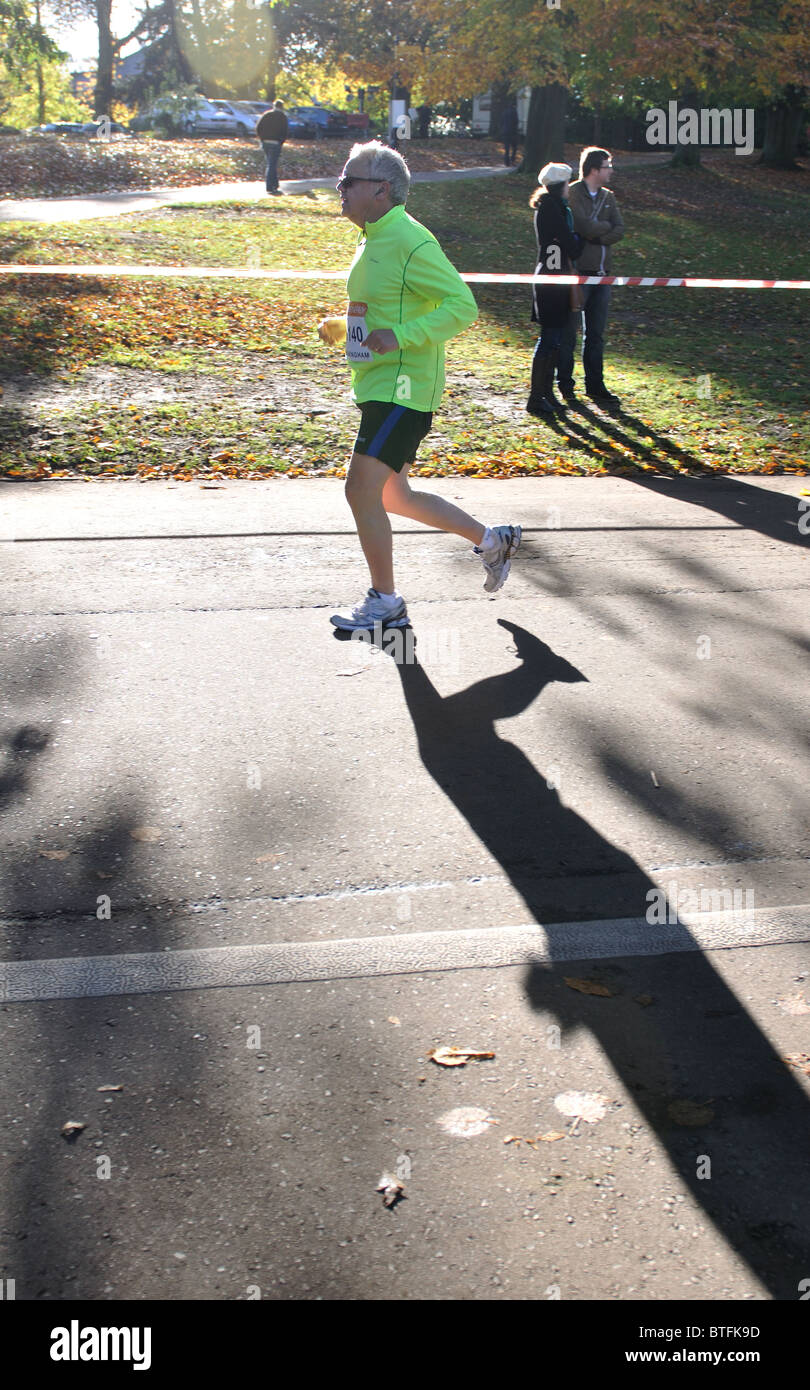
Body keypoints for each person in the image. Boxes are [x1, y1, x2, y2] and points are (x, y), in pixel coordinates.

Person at [317, 140, 522, 633]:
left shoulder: (411, 240)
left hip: (404, 389)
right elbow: (384, 311)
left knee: (359, 490)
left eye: (349, 182)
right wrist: (342, 328)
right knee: (394, 497)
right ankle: (493, 540)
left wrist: (403, 337)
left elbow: (462, 305)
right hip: (380, 384)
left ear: (381, 190)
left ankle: (385, 603)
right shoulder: (372, 238)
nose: (339, 189)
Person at [557, 146, 625, 407]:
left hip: (603, 275)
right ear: (594, 169)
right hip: (578, 273)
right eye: (607, 166)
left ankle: (595, 385)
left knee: (595, 334)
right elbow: (581, 224)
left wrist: (596, 235)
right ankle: (565, 384)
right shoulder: (573, 193)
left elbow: (619, 229)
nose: (611, 171)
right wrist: (598, 231)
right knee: (568, 332)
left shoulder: (608, 197)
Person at [526, 162, 583, 419]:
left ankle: (546, 394)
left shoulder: (553, 207)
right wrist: (576, 240)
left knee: (555, 339)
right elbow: (572, 246)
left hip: (555, 277)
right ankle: (536, 397)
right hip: (552, 280)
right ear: (562, 185)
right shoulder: (552, 208)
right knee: (549, 339)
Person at [256, 99, 289, 195]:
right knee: (272, 165)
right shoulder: (282, 117)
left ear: (274, 106)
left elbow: (258, 127)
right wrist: (281, 141)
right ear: (282, 107)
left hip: (265, 142)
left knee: (271, 164)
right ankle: (270, 186)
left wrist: (262, 138)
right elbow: (285, 131)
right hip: (275, 142)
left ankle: (274, 184)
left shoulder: (267, 115)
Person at [501, 101, 519, 167]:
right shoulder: (514, 111)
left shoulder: (504, 112)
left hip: (505, 132)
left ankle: (506, 162)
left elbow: (502, 122)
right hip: (513, 132)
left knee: (507, 148)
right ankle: (513, 160)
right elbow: (516, 121)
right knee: (514, 148)